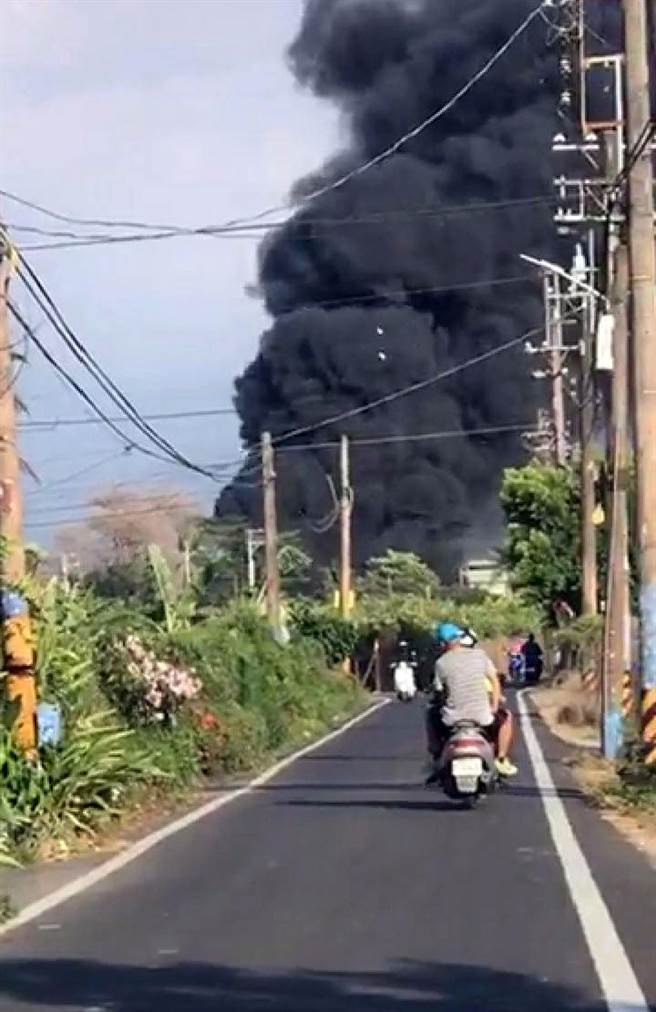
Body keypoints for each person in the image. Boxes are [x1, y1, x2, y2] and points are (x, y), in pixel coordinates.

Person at [460, 627, 518, 778]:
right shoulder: (481, 660)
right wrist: (495, 703)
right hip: (481, 710)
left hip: (454, 714)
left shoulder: (445, 661)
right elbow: (493, 685)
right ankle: (501, 758)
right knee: (506, 717)